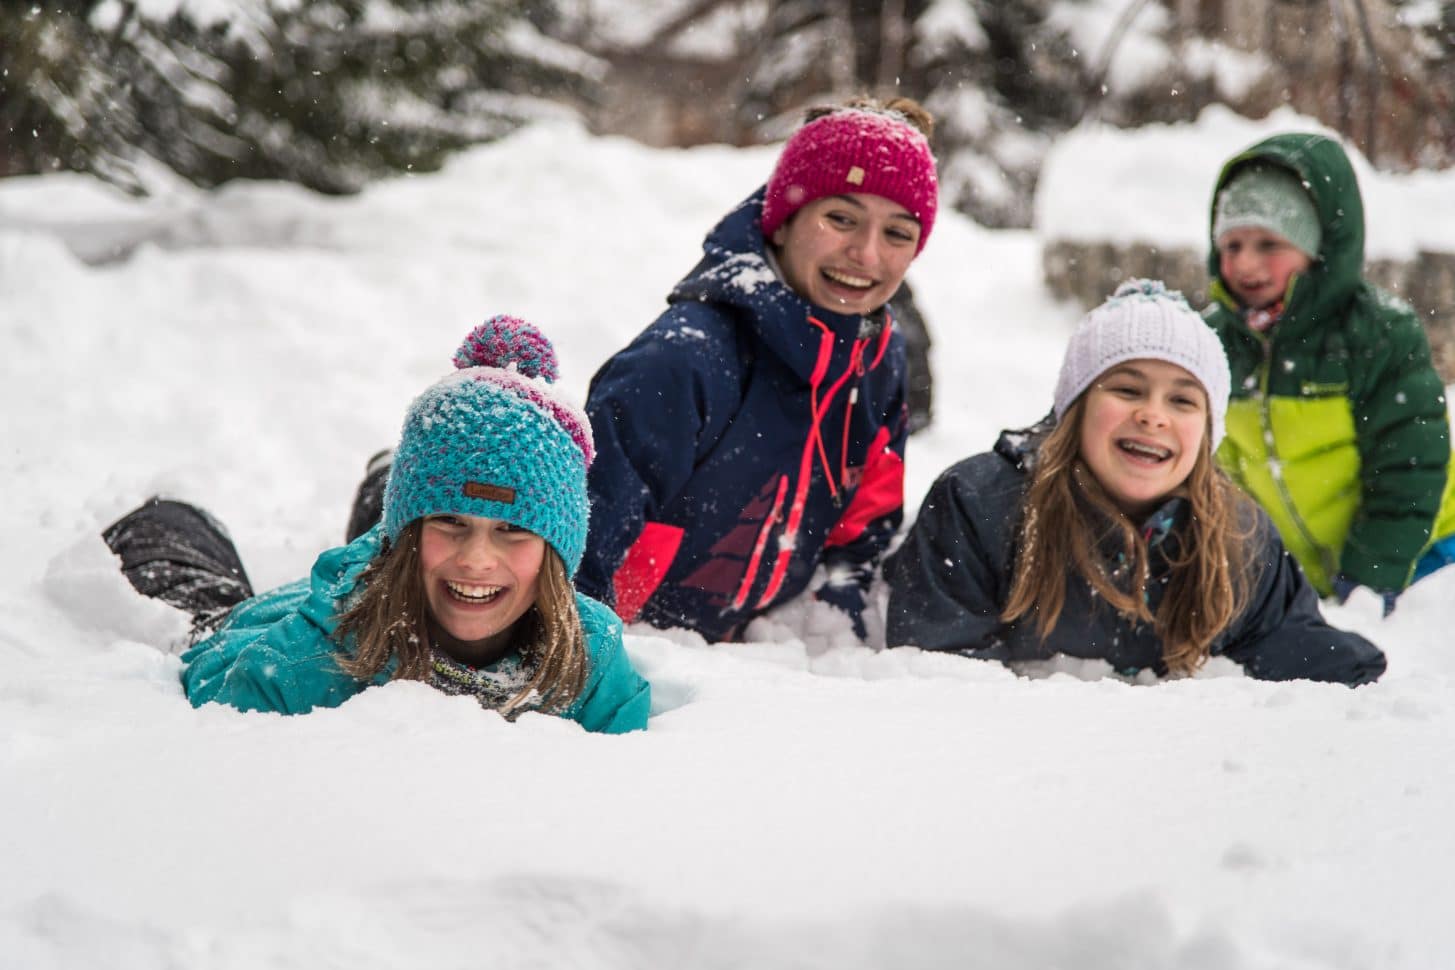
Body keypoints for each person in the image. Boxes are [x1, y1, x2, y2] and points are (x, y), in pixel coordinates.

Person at [104, 316, 651, 732]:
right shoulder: (304, 662)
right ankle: (177, 515)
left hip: (405, 564)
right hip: (313, 611)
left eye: (513, 529)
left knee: (430, 536)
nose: (478, 557)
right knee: (183, 572)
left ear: (558, 551)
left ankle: (395, 484)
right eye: (451, 521)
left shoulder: (591, 656)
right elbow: (219, 722)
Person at [883, 280, 1385, 686]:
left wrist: (1363, 679)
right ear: (1074, 411)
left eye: (1183, 401)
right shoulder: (980, 506)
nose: (1152, 415)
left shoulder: (1240, 539)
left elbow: (1286, 642)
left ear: (1208, 433)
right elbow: (938, 674)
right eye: (1127, 389)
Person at [573, 96, 939, 643]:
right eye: (841, 218)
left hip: (756, 660)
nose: (866, 254)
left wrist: (834, 620)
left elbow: (864, 528)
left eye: (897, 233)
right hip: (649, 655)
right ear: (783, 222)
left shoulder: (878, 359)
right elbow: (576, 549)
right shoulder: (684, 361)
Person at [1205, 132, 1455, 615]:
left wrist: (1367, 581)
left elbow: (1408, 469)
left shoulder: (1377, 333)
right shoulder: (1217, 342)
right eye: (1232, 244)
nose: (1246, 263)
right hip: (1316, 585)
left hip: (1426, 559)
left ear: (1318, 245)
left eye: (1268, 243)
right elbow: (1222, 478)